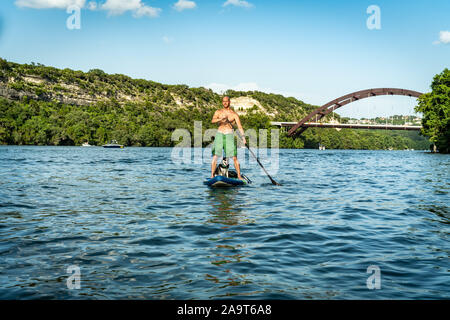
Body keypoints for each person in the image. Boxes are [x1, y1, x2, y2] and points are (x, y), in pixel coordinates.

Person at [210, 96, 246, 179]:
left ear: (229, 102)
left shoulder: (234, 114)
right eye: (223, 101)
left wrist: (243, 138)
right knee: (215, 156)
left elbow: (240, 126)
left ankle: (239, 176)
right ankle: (212, 175)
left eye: (226, 101)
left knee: (234, 157)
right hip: (219, 134)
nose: (225, 103)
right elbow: (213, 120)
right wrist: (220, 119)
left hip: (229, 135)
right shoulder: (218, 112)